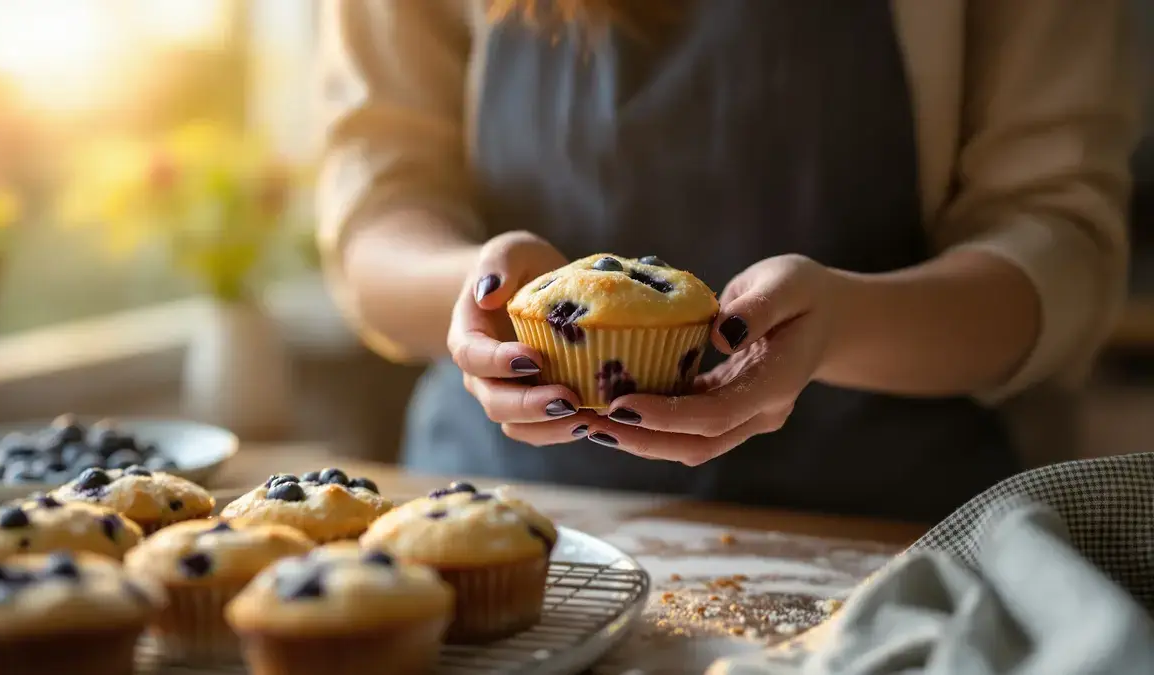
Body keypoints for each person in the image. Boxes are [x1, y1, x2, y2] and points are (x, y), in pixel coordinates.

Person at [316, 0, 1139, 523]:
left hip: (893, 527)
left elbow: (1060, 244)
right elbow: (377, 207)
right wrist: (483, 299)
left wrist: (844, 323)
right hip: (508, 510)